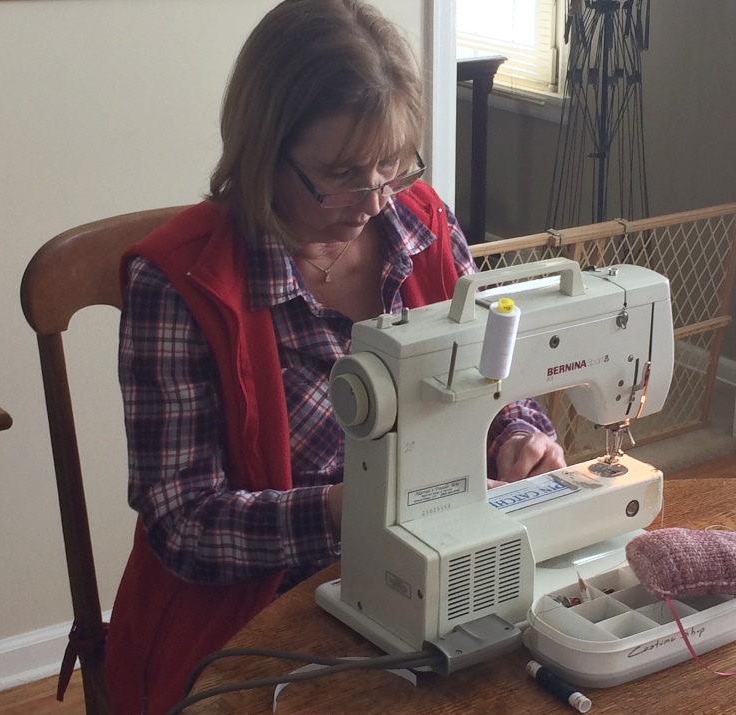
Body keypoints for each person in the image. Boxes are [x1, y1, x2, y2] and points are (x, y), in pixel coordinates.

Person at [102, 1, 565, 713]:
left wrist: (516, 433)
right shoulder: (179, 283)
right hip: (252, 621)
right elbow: (184, 521)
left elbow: (488, 375)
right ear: (264, 148)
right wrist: (350, 513)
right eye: (342, 173)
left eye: (392, 165)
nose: (375, 200)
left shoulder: (421, 223)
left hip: (426, 576)